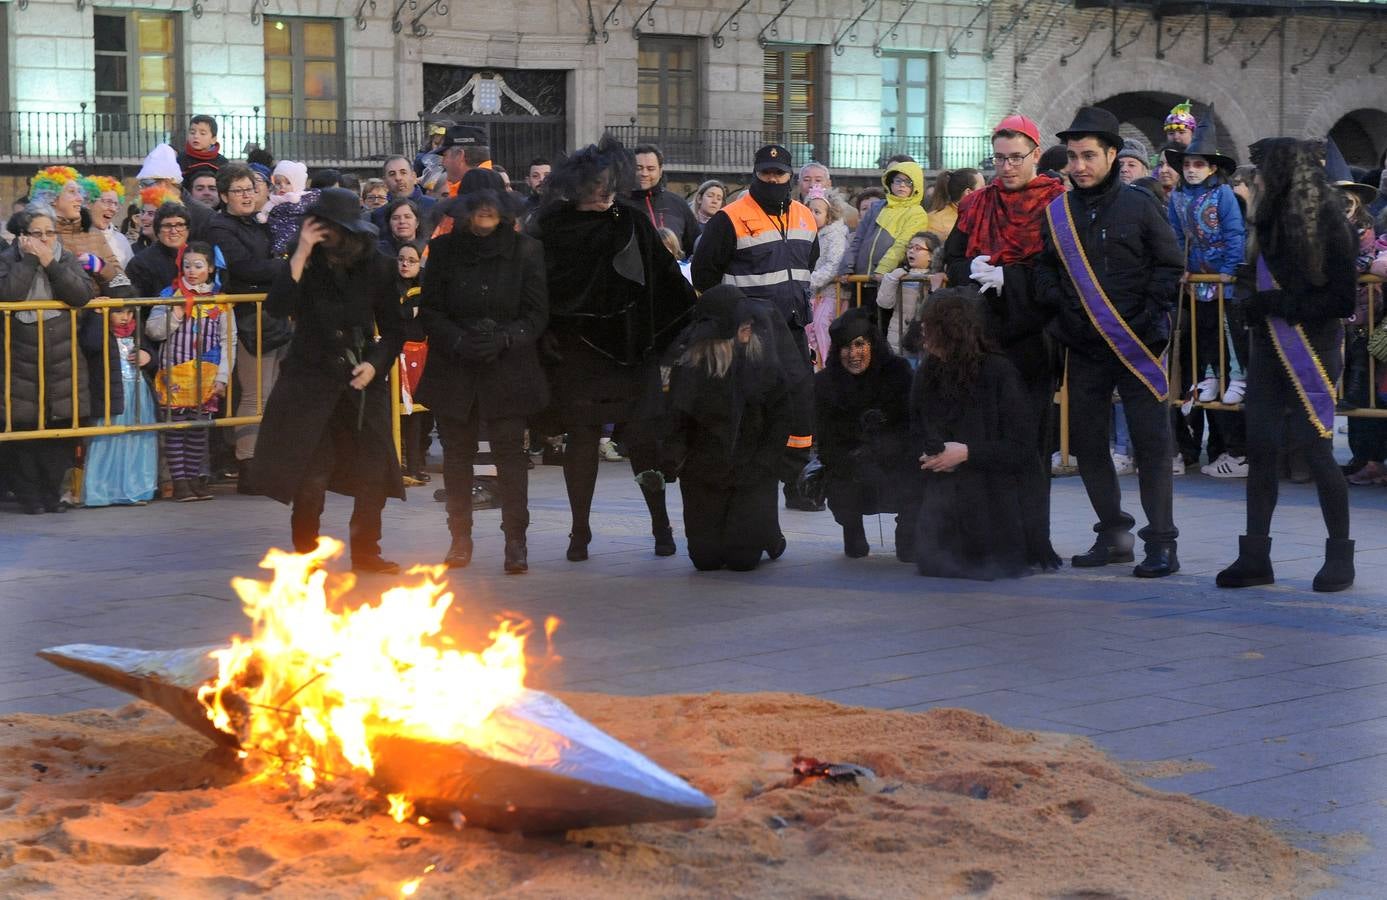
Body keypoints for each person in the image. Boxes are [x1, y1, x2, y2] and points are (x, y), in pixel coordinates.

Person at [528, 137, 695, 560]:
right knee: (581, 440)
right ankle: (578, 532)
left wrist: (683, 324)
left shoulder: (631, 220)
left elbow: (663, 278)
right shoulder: (551, 224)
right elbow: (534, 285)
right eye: (595, 184)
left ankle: (661, 525)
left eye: (609, 183)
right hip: (576, 353)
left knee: (643, 442)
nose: (604, 191)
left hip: (629, 351)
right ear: (578, 185)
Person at [1034, 107, 1185, 578]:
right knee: (1089, 443)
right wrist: (1062, 309)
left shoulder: (1141, 205)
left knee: (1151, 444)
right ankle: (1113, 534)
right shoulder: (1057, 212)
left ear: (1113, 155)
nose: (1079, 165)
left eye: (1089, 155)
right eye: (1074, 156)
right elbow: (1045, 268)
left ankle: (1161, 542)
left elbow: (1169, 264)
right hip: (1083, 346)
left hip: (1137, 345)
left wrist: (1145, 316)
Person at [1216, 139, 1359, 592]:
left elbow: (1341, 299)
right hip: (1267, 354)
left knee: (1316, 451)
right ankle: (1255, 556)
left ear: (1279, 176)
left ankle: (1340, 556)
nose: (1254, 181)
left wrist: (1277, 301)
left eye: (1259, 173)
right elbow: (1257, 287)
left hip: (1312, 349)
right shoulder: (1266, 223)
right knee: (1260, 450)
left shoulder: (1332, 225)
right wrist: (1249, 299)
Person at [251, 188, 405, 574]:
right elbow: (278, 307)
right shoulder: (306, 264)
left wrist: (375, 364)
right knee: (311, 477)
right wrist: (300, 253)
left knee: (372, 473)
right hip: (310, 380)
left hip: (360, 381)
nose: (328, 235)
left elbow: (395, 330)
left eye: (334, 229)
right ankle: (306, 555)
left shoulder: (378, 266)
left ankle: (367, 552)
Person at [940, 113, 1067, 571]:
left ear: (1035, 155)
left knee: (1030, 443)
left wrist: (1010, 277)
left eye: (1016, 158)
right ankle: (990, 536)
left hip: (1032, 337)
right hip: (983, 337)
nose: (1007, 167)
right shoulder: (975, 204)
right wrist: (970, 271)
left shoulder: (1056, 203)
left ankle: (1036, 540)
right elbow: (952, 258)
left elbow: (1060, 269)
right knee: (982, 436)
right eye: (999, 158)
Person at [417, 182, 547, 574]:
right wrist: (457, 340)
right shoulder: (443, 251)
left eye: (493, 205)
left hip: (508, 365)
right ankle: (460, 537)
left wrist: (507, 337)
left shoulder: (527, 251)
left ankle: (515, 540)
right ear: (465, 210)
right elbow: (431, 310)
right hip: (457, 364)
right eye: (478, 205)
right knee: (457, 454)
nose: (486, 212)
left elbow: (537, 313)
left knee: (510, 454)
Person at [691, 143, 820, 514]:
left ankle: (795, 480)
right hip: (751, 333)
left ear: (790, 176)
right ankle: (750, 481)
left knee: (799, 406)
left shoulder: (805, 216)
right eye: (765, 173)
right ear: (755, 174)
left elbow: (806, 263)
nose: (772, 179)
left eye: (779, 174)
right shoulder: (729, 218)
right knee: (754, 409)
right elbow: (704, 275)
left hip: (792, 329)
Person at [662, 286, 789, 571]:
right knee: (705, 561)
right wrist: (673, 462)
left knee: (741, 561)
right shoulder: (692, 369)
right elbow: (677, 424)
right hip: (705, 475)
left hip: (751, 473)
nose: (748, 325)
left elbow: (780, 420)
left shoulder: (763, 364)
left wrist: (764, 465)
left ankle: (768, 532)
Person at [911, 290, 1034, 579]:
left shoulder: (998, 372)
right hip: (943, 506)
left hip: (990, 502)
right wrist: (930, 451)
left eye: (931, 331)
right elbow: (916, 426)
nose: (925, 339)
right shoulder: (929, 371)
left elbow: (1022, 448)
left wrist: (967, 453)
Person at [0, 207, 97, 513]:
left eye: (49, 233)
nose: (44, 239)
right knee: (24, 426)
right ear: (21, 236)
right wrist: (30, 260)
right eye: (36, 234)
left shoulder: (64, 257)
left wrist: (50, 263)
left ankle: (51, 493)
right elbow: (9, 293)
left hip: (61, 353)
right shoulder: (7, 260)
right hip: (19, 354)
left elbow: (81, 294)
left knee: (59, 424)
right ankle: (30, 496)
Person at [204, 163, 291, 488]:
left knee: (273, 393)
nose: (246, 196)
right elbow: (245, 266)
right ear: (224, 195)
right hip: (245, 316)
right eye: (239, 191)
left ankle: (269, 460)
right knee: (255, 393)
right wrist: (286, 267)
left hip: (273, 312)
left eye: (251, 189)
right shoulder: (220, 227)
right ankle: (248, 464)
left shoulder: (259, 222)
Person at [814, 307, 915, 559]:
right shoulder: (826, 383)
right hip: (852, 465)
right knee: (841, 483)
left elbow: (913, 426)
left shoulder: (899, 373)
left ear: (873, 344)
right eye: (845, 347)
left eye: (860, 345)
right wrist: (855, 448)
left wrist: (884, 434)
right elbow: (826, 440)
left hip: (895, 461)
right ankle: (852, 529)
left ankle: (908, 533)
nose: (854, 354)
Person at [146, 242, 236, 501]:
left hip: (206, 376)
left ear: (210, 268)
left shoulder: (220, 301)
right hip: (175, 374)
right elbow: (154, 331)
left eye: (198, 266)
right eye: (187, 266)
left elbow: (227, 340)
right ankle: (180, 481)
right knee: (176, 430)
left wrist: (222, 376)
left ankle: (195, 477)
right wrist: (174, 314)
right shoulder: (169, 294)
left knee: (198, 429)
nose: (192, 271)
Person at [81, 304, 157, 507]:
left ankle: (136, 488)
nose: (125, 317)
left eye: (129, 312)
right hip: (112, 394)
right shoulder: (99, 329)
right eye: (119, 312)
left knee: (137, 439)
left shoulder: (135, 330)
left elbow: (150, 351)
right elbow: (91, 345)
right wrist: (98, 315)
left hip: (138, 393)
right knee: (107, 441)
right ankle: (101, 491)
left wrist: (148, 357)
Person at [840, 160, 930, 318]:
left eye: (908, 182)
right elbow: (858, 240)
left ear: (915, 186)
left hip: (887, 283)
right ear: (890, 182)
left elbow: (902, 245)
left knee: (881, 331)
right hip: (860, 281)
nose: (902, 185)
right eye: (898, 180)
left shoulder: (917, 213)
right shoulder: (877, 207)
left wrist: (883, 270)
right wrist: (846, 267)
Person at [392, 240, 432, 484]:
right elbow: (400, 315)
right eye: (401, 259)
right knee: (396, 410)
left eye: (411, 260)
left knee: (416, 411)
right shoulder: (390, 285)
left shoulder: (427, 286)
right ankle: (398, 463)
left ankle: (414, 464)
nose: (405, 264)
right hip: (395, 354)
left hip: (419, 353)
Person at [804, 186, 848, 371]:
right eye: (809, 211)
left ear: (829, 215)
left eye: (817, 211)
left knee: (823, 325)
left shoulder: (835, 235)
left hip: (831, 293)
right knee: (809, 327)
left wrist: (809, 280)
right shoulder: (808, 235)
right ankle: (815, 366)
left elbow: (833, 265)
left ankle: (831, 365)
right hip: (814, 294)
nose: (812, 215)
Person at [877, 231, 941, 357]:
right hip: (897, 338)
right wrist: (891, 279)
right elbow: (884, 303)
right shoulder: (900, 275)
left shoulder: (936, 278)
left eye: (918, 248)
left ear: (932, 255)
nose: (911, 251)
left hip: (923, 340)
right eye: (910, 247)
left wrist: (935, 287)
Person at [630, 144, 700, 257]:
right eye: (639, 168)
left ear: (660, 170)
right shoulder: (615, 204)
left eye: (650, 169)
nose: (644, 173)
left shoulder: (678, 204)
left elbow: (695, 248)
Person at [126, 203, 191, 299]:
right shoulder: (140, 263)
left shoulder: (197, 255)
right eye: (167, 226)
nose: (174, 231)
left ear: (188, 229)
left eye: (180, 225)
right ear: (158, 230)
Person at [256, 161, 319, 257]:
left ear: (297, 183)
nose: (282, 186)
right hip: (278, 250)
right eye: (277, 183)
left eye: (288, 183)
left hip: (303, 251)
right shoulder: (272, 203)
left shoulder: (307, 202)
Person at [374, 155, 438, 231]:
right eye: (392, 174)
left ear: (413, 177)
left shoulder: (434, 206)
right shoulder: (379, 215)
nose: (398, 178)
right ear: (385, 181)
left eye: (403, 173)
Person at [925, 168, 984, 242]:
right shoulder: (937, 221)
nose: (987, 192)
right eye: (982, 188)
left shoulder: (985, 215)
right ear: (968, 193)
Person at [87, 176, 133, 266]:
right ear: (89, 203)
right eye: (108, 202)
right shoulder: (74, 236)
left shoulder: (121, 241)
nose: (113, 209)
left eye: (116, 204)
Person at [177, 114, 229, 181]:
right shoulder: (181, 159)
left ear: (213, 139)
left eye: (202, 133)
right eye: (192, 132)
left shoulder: (222, 162)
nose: (196, 136)